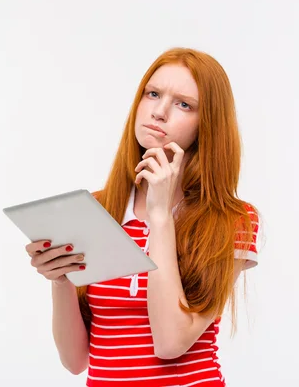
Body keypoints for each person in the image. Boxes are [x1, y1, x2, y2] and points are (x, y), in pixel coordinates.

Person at [25, 47, 261, 386]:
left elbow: (170, 343)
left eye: (184, 104)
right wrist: (60, 280)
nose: (160, 112)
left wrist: (161, 217)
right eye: (153, 94)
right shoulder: (97, 209)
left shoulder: (232, 221)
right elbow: (75, 361)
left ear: (206, 125)